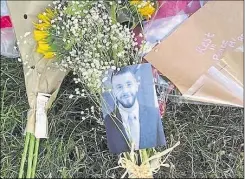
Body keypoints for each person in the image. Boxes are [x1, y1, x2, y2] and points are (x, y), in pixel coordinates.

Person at [104, 66, 166, 154]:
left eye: (129, 84)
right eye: (119, 87)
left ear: (136, 86)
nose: (125, 91)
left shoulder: (154, 114)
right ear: (113, 92)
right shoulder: (108, 121)